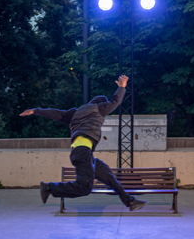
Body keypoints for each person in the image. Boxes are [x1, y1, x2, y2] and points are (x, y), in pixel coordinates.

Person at [20, 75, 147, 211]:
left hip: (83, 151)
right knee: (84, 187)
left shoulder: (76, 112)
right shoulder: (99, 108)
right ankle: (49, 187)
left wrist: (36, 110)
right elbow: (115, 102)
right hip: (82, 151)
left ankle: (129, 201)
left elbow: (57, 114)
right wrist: (122, 88)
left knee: (107, 175)